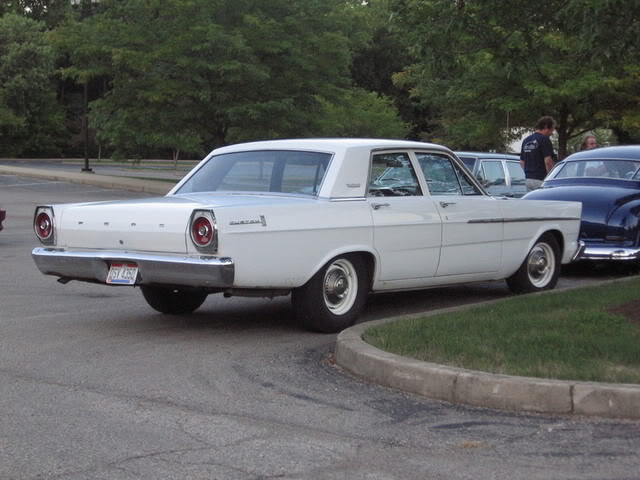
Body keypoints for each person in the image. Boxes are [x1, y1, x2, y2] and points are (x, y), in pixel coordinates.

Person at [520, 116, 556, 192]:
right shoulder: (544, 140)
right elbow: (548, 161)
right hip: (541, 180)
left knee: (533, 203)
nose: (552, 133)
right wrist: (551, 178)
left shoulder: (526, 140)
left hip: (528, 180)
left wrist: (529, 173)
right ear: (546, 127)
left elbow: (522, 162)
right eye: (552, 130)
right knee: (545, 203)